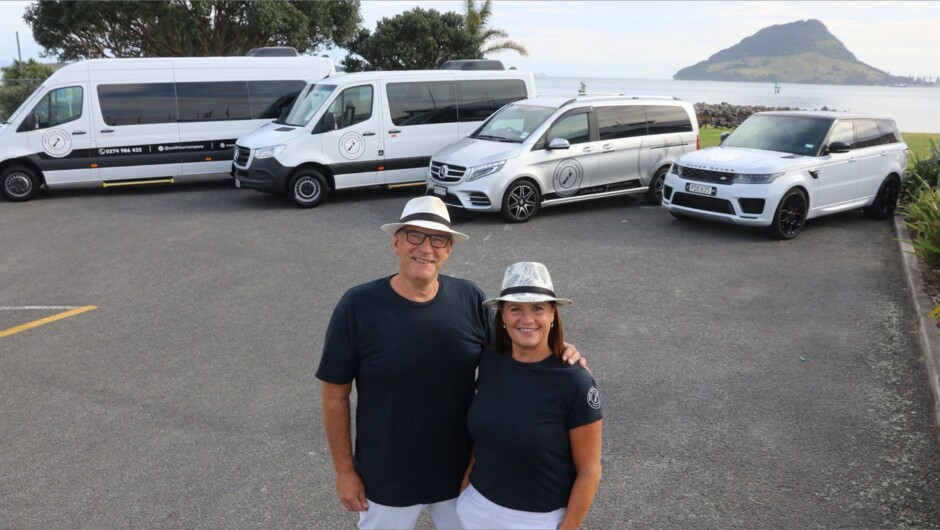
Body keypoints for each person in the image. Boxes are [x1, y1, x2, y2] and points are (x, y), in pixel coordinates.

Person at [316, 196, 583, 530]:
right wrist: (344, 472)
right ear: (396, 243)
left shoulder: (469, 298)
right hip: (386, 475)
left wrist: (559, 349)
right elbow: (334, 394)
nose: (425, 248)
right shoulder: (357, 306)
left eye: (437, 238)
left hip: (460, 474)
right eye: (415, 236)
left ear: (448, 249)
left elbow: (512, 353)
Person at [456, 262, 603, 530]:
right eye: (515, 309)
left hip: (538, 520)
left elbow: (590, 472)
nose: (527, 320)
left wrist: (568, 527)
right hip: (476, 508)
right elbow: (486, 431)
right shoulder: (490, 360)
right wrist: (469, 476)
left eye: (537, 308)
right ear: (501, 314)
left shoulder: (576, 383)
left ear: (552, 314)